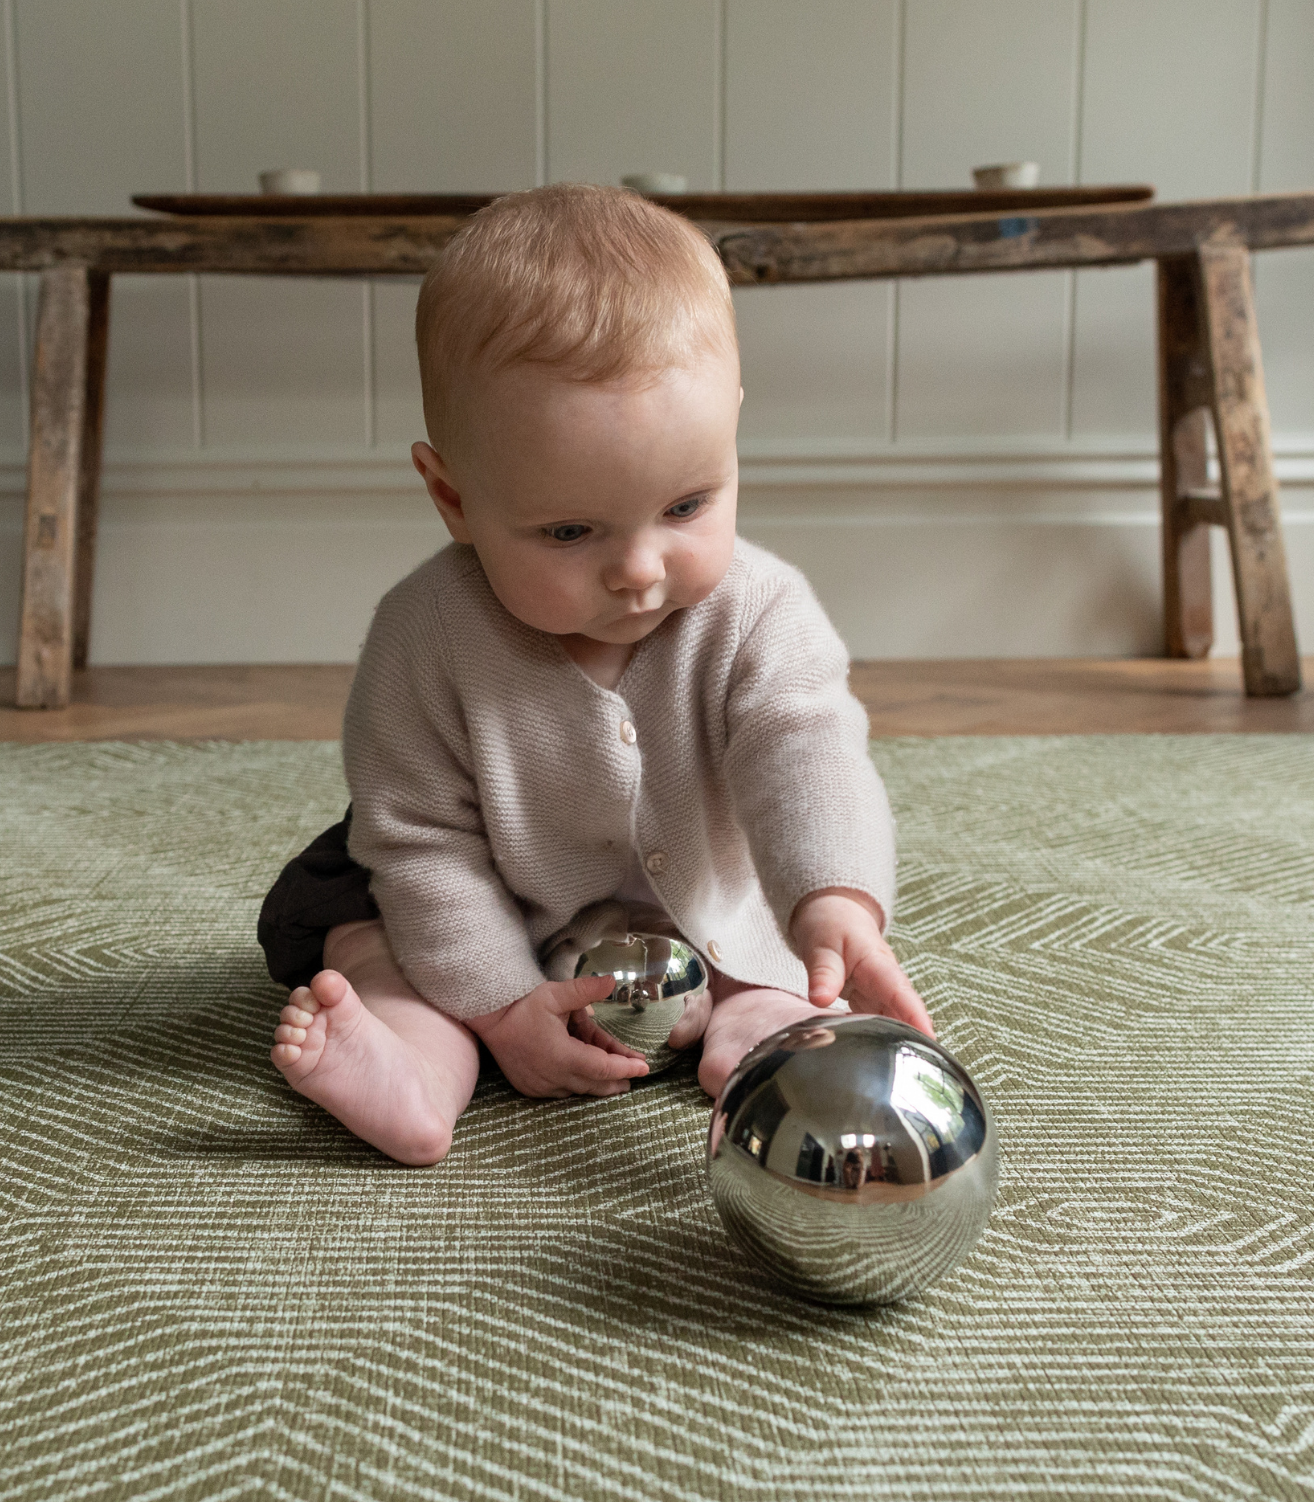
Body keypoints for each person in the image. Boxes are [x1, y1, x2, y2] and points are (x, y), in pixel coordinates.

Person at [258, 184, 931, 1165]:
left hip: (708, 890)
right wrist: (497, 1006)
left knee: (784, 970)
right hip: (491, 887)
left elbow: (808, 749)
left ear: (733, 429)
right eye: (570, 531)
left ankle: (766, 1040)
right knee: (371, 938)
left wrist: (835, 902)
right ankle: (414, 1069)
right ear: (453, 495)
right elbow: (424, 842)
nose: (640, 568)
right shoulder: (425, 634)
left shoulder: (763, 609)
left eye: (688, 504)